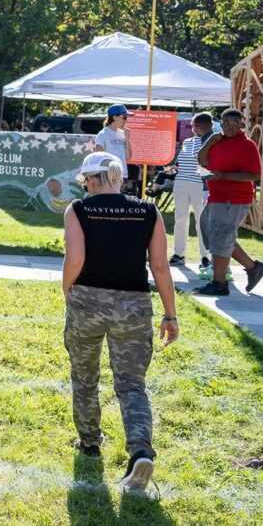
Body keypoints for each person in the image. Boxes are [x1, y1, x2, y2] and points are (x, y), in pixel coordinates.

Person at [62, 151, 180, 490]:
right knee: (131, 385)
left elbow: (76, 259)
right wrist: (170, 314)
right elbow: (159, 267)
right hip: (134, 306)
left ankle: (89, 441)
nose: (85, 186)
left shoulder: (79, 210)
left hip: (87, 301)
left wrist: (67, 288)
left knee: (84, 375)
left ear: (94, 179)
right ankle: (140, 450)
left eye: (85, 181)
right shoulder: (148, 211)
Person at [196, 109, 263, 296]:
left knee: (221, 237)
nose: (230, 126)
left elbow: (254, 175)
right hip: (216, 196)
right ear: (220, 123)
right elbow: (202, 160)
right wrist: (210, 142)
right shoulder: (217, 141)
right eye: (226, 123)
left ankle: (219, 283)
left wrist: (224, 176)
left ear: (241, 124)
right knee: (213, 234)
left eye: (235, 123)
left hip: (233, 198)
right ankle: (253, 268)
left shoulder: (247, 145)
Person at [167, 113, 214, 269]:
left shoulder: (212, 140)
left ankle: (205, 257)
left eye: (193, 125)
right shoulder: (187, 141)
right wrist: (175, 167)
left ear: (199, 126)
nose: (191, 128)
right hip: (181, 182)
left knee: (201, 222)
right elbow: (183, 161)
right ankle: (178, 254)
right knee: (180, 219)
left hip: (200, 185)